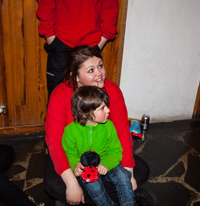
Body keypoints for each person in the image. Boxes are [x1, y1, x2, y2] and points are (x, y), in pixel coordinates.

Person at [44, 45, 151, 205]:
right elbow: (55, 142)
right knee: (53, 185)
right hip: (75, 157)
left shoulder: (112, 90)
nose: (99, 73)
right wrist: (71, 183)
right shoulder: (60, 94)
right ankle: (88, 194)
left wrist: (128, 174)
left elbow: (122, 132)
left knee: (140, 170)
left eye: (100, 66)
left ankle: (88, 199)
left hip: (104, 154)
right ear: (76, 76)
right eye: (91, 70)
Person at [62, 86, 136, 206]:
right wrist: (75, 163)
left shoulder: (109, 126)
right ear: (85, 114)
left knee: (123, 176)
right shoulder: (70, 131)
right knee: (92, 184)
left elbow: (115, 150)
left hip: (108, 161)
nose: (108, 110)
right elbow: (69, 153)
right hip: (87, 168)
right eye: (102, 108)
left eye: (106, 106)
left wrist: (106, 164)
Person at [36, 0, 119, 97]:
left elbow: (110, 6)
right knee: (57, 99)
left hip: (91, 45)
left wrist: (102, 41)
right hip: (60, 43)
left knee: (91, 101)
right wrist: (50, 35)